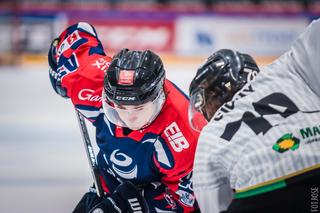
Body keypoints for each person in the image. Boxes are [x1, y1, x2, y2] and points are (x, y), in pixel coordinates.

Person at [48, 22, 200, 212]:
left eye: (139, 108)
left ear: (159, 98)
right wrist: (57, 67)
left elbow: (188, 204)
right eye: (120, 107)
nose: (130, 118)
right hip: (107, 185)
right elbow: (80, 33)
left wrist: (130, 204)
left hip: (152, 198)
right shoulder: (87, 80)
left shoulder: (184, 136)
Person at [188, 18, 320, 213]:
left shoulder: (212, 133)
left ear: (220, 92)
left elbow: (212, 204)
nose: (203, 111)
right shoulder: (285, 73)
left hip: (269, 192)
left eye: (204, 100)